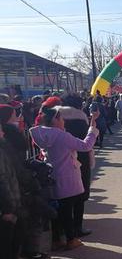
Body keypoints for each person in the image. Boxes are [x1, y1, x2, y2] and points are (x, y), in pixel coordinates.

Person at [29, 104, 99, 250]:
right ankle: (71, 239)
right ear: (56, 120)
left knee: (57, 210)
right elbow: (85, 146)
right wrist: (92, 128)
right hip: (67, 175)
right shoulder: (61, 136)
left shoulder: (43, 135)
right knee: (67, 209)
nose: (64, 121)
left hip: (52, 175)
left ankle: (56, 240)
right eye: (61, 118)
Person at [60, 93, 95, 237]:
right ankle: (77, 227)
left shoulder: (56, 118)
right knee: (80, 192)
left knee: (64, 195)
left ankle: (63, 229)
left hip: (60, 160)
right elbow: (86, 143)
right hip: (79, 158)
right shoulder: (80, 120)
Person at [0, 123, 25, 259]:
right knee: (4, 242)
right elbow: (2, 180)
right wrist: (8, 208)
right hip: (5, 204)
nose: (2, 132)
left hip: (7, 201)